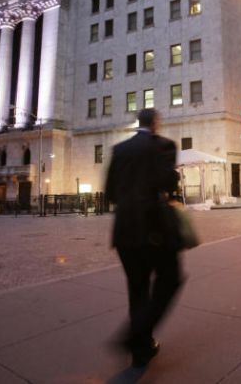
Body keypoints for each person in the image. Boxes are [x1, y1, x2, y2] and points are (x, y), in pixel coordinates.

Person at [105, 108, 183, 368]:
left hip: (124, 231)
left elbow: (110, 193)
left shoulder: (120, 149)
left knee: (137, 289)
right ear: (156, 123)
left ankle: (142, 350)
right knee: (170, 279)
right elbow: (168, 183)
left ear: (139, 122)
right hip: (153, 230)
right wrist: (173, 176)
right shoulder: (164, 146)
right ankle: (135, 335)